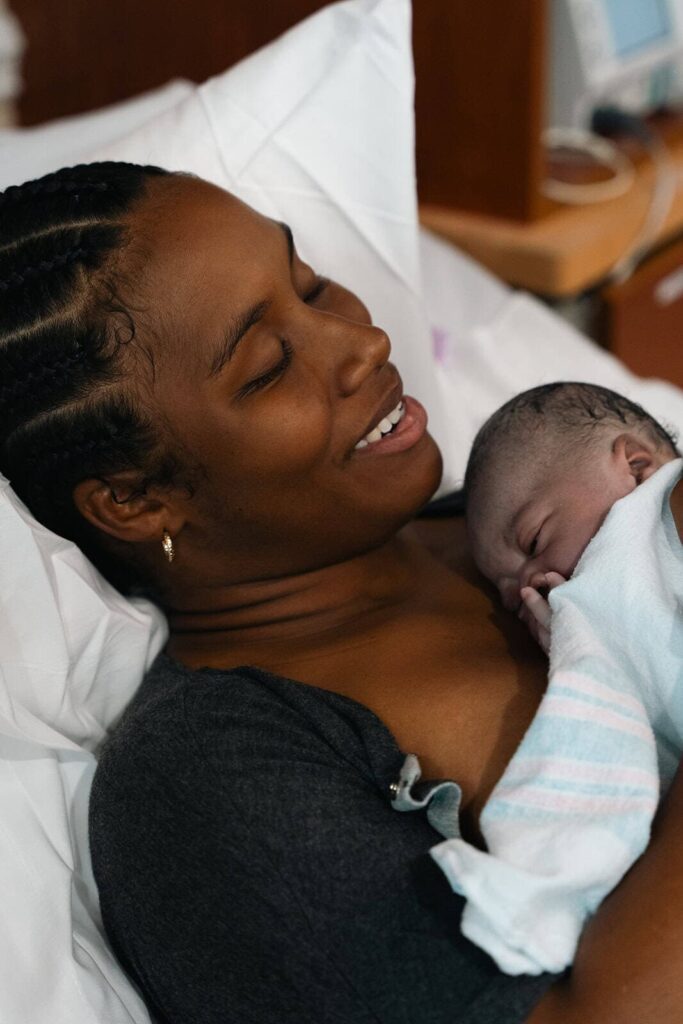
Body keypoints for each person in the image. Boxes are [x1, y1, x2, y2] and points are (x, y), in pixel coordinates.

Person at [2, 164, 683, 1024]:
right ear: (137, 500)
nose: (358, 343)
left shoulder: (523, 509)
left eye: (311, 284)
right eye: (265, 367)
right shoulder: (204, 782)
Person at [430, 382, 683, 975]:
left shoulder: (662, 506)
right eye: (505, 590)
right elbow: (607, 735)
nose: (527, 586)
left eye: (535, 540)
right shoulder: (580, 625)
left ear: (636, 465)